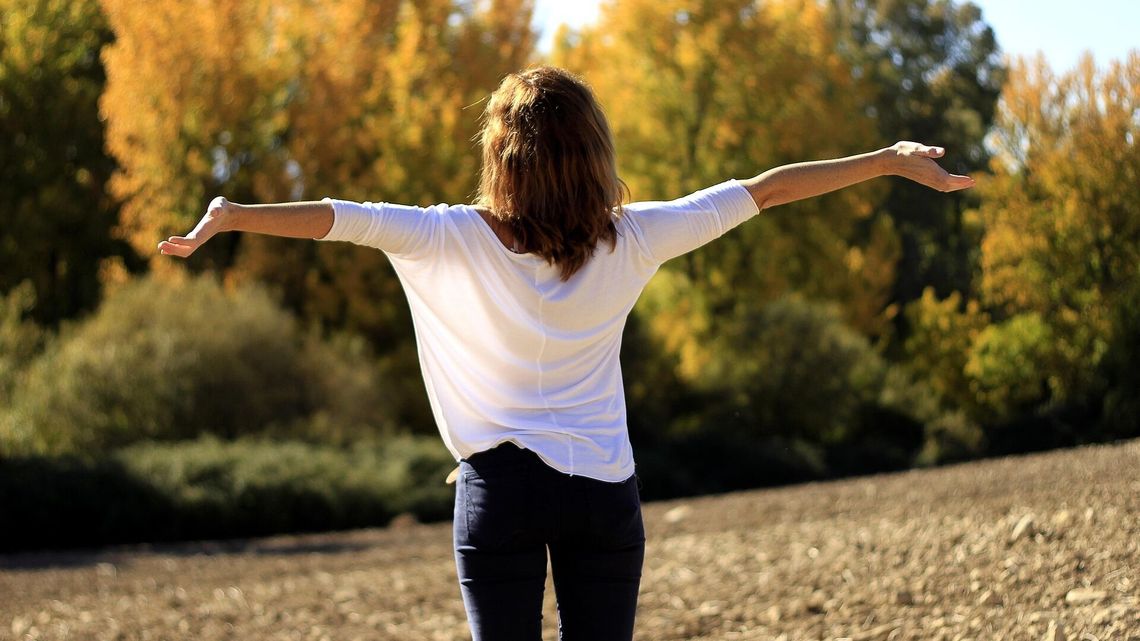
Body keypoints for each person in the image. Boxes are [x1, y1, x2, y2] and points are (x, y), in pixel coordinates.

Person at [157, 65, 973, 641]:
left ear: (500, 158)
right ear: (595, 155)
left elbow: (338, 216)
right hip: (602, 494)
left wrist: (231, 214)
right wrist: (886, 162)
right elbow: (767, 189)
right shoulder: (638, 236)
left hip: (499, 495)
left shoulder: (445, 237)